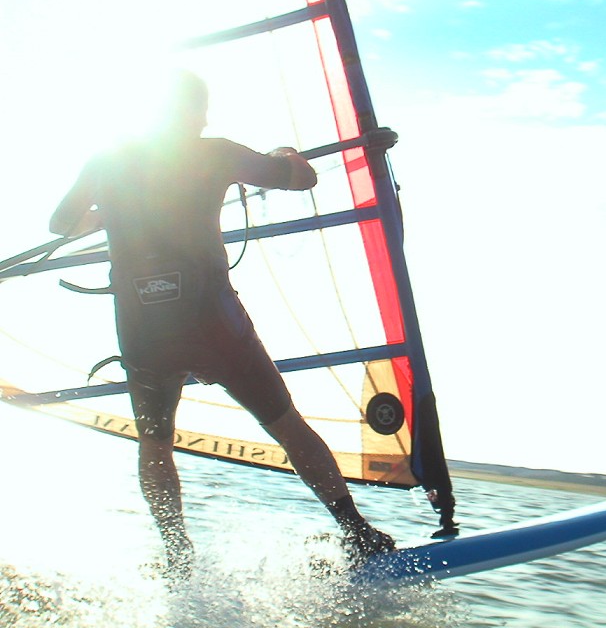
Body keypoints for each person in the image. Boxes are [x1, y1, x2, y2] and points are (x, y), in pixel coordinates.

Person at [49, 70, 394, 581]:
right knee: (285, 423)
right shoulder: (215, 153)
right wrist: (283, 154)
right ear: (196, 115)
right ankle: (355, 530)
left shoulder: (108, 159)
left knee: (156, 441)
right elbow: (302, 177)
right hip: (212, 321)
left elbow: (60, 223)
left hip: (144, 328)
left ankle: (177, 555)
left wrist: (107, 216)